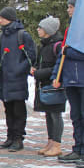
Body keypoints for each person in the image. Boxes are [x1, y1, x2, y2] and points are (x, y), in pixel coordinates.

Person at [0, 7, 36, 152]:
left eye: (2, 18)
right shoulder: (1, 36)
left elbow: (31, 56)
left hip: (17, 79)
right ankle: (10, 136)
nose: (0, 21)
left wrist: (19, 69)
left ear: (9, 18)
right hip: (5, 78)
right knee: (8, 109)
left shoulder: (22, 35)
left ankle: (18, 138)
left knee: (18, 109)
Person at [51, 0, 84, 166]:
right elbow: (62, 55)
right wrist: (57, 76)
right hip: (71, 79)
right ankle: (78, 149)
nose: (68, 10)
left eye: (71, 7)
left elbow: (69, 52)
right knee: (76, 116)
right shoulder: (70, 29)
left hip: (82, 79)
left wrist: (68, 52)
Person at [30, 16, 65, 157]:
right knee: (48, 114)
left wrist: (39, 73)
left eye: (40, 27)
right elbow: (42, 63)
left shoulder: (57, 45)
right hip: (44, 84)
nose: (38, 30)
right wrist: (35, 69)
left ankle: (57, 144)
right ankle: (50, 141)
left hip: (54, 85)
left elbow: (57, 67)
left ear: (48, 30)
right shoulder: (44, 45)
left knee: (55, 114)